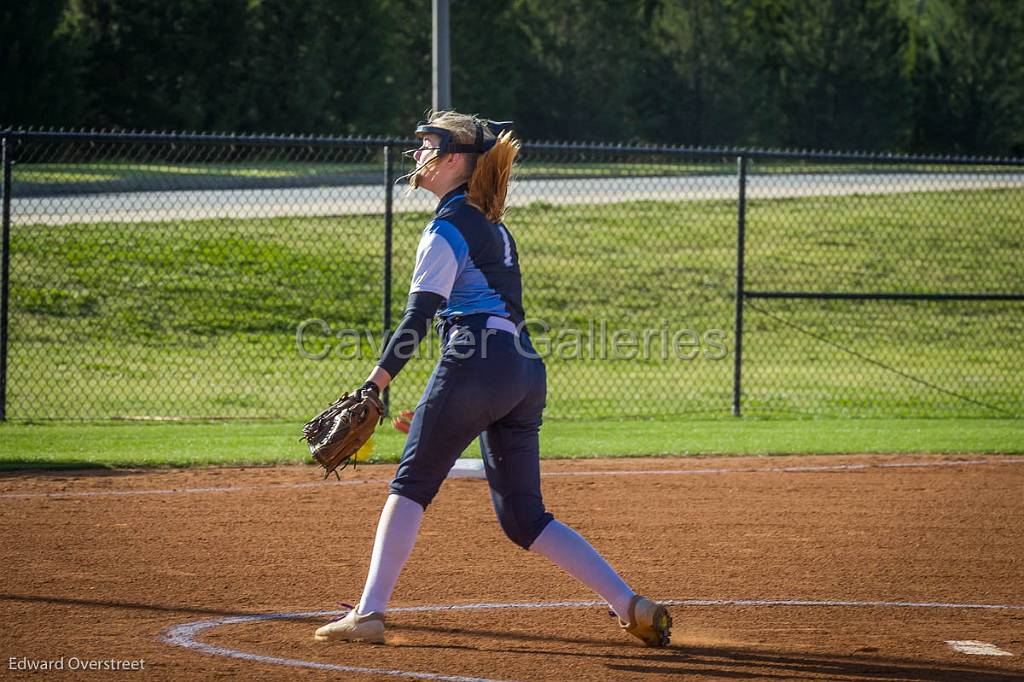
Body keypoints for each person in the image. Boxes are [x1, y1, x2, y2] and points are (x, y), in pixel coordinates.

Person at [313, 111, 672, 647]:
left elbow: (417, 319)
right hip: (523, 372)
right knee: (525, 518)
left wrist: (375, 386)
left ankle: (368, 614)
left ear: (453, 160)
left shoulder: (447, 227)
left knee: (410, 485)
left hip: (477, 363)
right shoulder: (492, 225)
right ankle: (631, 604)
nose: (416, 155)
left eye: (426, 146)